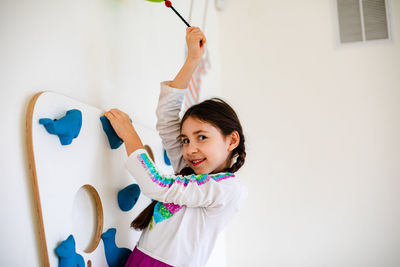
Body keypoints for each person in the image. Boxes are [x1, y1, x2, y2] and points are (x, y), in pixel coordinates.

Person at [104, 27, 248, 267]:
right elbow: (167, 115)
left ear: (231, 141)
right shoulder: (191, 172)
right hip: (141, 258)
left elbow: (157, 185)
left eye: (202, 137)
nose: (190, 149)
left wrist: (130, 136)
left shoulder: (228, 189)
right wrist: (192, 60)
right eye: (186, 140)